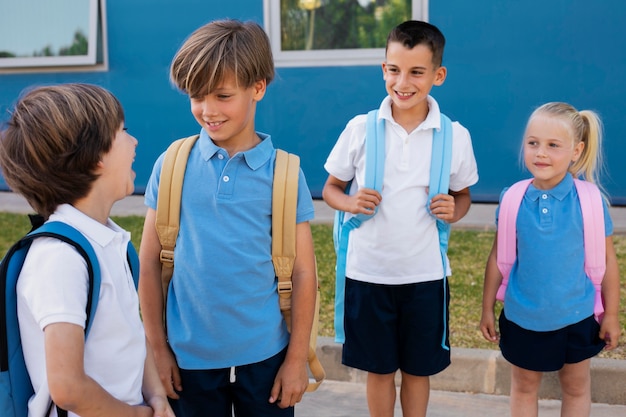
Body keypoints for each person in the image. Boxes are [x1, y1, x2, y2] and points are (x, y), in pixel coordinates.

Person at [138, 19, 318, 416]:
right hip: (188, 362)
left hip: (267, 359)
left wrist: (295, 359)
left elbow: (304, 273)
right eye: (197, 96)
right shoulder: (171, 165)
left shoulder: (285, 175)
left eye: (222, 95)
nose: (208, 110)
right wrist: (157, 347)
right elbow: (149, 262)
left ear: (258, 88)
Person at [322, 20, 479, 417]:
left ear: (438, 76)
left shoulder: (455, 135)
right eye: (394, 70)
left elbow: (463, 196)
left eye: (416, 72)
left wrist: (454, 210)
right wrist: (350, 202)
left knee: (417, 371)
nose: (402, 82)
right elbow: (330, 190)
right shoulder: (360, 129)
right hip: (368, 274)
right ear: (383, 69)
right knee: (378, 371)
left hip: (426, 277)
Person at [0, 83, 174, 417]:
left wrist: (155, 397)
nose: (134, 141)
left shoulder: (109, 242)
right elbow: (68, 387)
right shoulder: (60, 258)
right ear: (95, 159)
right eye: (123, 131)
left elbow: (132, 334)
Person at [480, 102, 621, 417]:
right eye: (533, 143)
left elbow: (609, 263)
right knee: (524, 387)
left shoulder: (590, 201)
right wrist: (487, 307)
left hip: (578, 316)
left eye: (553, 145)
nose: (540, 152)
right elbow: (497, 258)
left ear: (576, 151)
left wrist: (611, 314)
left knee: (576, 387)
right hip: (522, 317)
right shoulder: (512, 198)